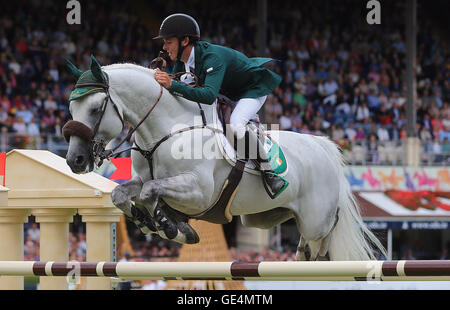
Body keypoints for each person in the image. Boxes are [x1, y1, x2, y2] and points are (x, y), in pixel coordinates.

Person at [153, 13, 286, 198]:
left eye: (168, 42)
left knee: (237, 124)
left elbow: (207, 96)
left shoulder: (212, 57)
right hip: (226, 91)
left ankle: (269, 172)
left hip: (250, 89)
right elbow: (177, 91)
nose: (164, 47)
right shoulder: (182, 62)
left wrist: (171, 84)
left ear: (184, 40)